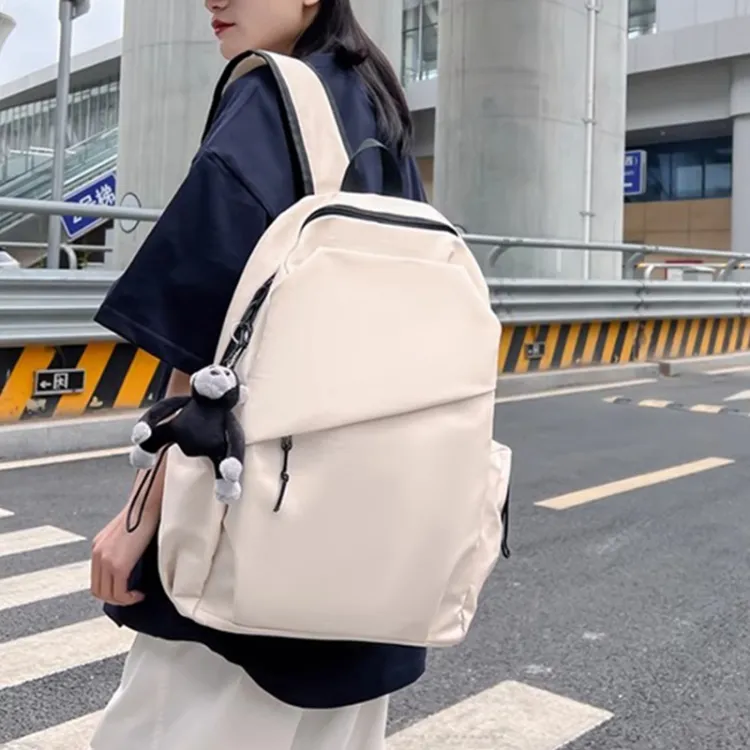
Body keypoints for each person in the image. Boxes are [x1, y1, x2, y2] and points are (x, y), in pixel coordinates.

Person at [88, 1, 430, 748]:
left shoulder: (272, 96)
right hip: (377, 550)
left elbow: (204, 349)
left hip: (254, 547)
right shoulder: (378, 102)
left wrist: (137, 519)